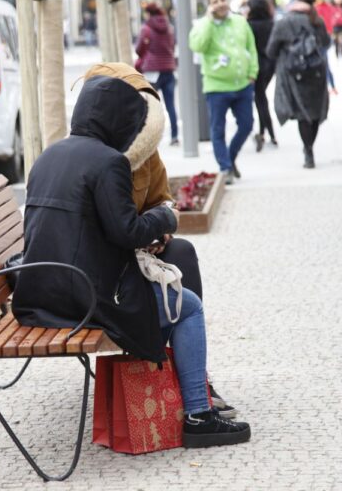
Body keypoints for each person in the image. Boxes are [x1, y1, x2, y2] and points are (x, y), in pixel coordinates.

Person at [12, 73, 251, 448]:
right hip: (84, 300)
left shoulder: (49, 155)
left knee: (171, 283)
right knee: (187, 306)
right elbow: (127, 232)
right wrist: (166, 217)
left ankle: (174, 385)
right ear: (117, 120)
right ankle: (198, 414)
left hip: (39, 295)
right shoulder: (108, 162)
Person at [81, 62, 239, 417]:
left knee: (181, 252)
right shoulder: (89, 156)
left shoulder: (146, 153)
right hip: (105, 269)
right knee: (181, 295)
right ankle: (171, 372)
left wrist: (161, 229)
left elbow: (163, 200)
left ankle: (192, 375)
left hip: (139, 253)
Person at [189, 0, 258, 184]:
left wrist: (253, 73)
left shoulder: (239, 21)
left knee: (246, 125)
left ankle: (229, 156)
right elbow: (198, 46)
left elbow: (251, 48)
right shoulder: (202, 25)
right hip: (216, 87)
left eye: (222, 0)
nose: (220, 4)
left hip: (243, 84)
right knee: (217, 130)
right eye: (215, 1)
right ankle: (225, 168)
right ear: (209, 5)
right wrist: (210, 22)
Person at [267, 0, 330, 169]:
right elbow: (325, 43)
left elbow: (271, 50)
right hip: (317, 72)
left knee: (303, 113)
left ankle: (307, 150)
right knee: (316, 112)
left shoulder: (284, 22)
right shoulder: (316, 20)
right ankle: (310, 146)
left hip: (294, 73)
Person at [136, 3, 178, 146]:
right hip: (169, 68)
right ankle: (174, 136)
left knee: (150, 106)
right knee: (170, 105)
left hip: (153, 71)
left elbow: (139, 49)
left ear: (148, 14)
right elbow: (173, 45)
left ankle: (150, 138)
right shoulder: (170, 28)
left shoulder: (146, 28)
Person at [247, 0, 277, 150]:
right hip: (270, 65)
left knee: (260, 100)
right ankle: (265, 132)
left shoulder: (249, 25)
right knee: (261, 99)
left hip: (256, 67)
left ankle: (269, 134)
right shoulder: (271, 23)